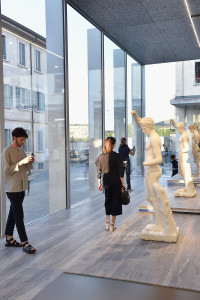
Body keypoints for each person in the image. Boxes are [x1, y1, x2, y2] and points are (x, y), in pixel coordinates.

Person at [131, 110, 178, 242]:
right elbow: (140, 122)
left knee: (154, 198)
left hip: (152, 170)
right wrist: (135, 115)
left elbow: (159, 159)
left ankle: (159, 225)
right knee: (149, 198)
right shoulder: (150, 135)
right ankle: (158, 222)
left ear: (149, 127)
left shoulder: (154, 138)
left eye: (144, 128)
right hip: (149, 171)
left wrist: (145, 162)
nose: (142, 130)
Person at [1, 127, 36, 254]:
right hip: (12, 187)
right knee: (19, 214)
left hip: (21, 186)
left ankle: (9, 238)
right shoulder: (6, 152)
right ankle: (25, 242)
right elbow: (6, 171)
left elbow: (26, 167)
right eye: (21, 140)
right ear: (14, 137)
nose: (23, 142)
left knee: (13, 212)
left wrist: (30, 161)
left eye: (24, 140)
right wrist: (21, 163)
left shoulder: (21, 151)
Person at [95, 137, 125, 232]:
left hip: (106, 180)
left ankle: (107, 223)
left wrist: (99, 183)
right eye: (114, 144)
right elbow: (120, 171)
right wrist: (123, 183)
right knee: (116, 200)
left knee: (108, 200)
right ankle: (112, 224)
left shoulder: (100, 157)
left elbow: (99, 171)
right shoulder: (117, 156)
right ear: (112, 145)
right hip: (115, 180)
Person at [170, 119, 196, 197]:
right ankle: (186, 188)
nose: (177, 130)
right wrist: (173, 122)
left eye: (178, 129)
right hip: (181, 155)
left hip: (183, 156)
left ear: (181, 128)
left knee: (186, 172)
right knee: (183, 172)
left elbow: (187, 147)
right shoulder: (183, 134)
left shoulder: (184, 135)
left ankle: (189, 189)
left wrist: (181, 150)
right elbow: (176, 125)